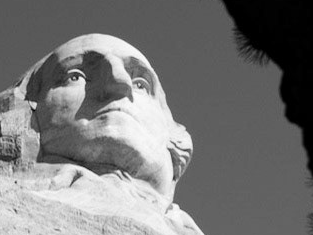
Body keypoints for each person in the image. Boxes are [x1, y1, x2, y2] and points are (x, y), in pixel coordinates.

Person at [21, 34, 192, 201]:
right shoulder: (0, 202)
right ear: (30, 103)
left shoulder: (184, 229)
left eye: (141, 84)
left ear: (171, 135)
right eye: (76, 76)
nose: (120, 82)